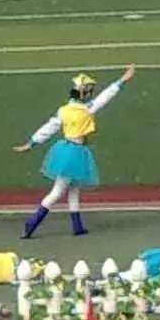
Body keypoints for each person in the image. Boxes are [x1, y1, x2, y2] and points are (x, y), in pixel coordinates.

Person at [18, 71, 134, 240]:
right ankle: (32, 223)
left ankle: (77, 226)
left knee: (74, 189)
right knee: (58, 191)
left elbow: (49, 128)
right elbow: (105, 97)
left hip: (68, 151)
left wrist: (32, 142)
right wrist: (121, 81)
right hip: (75, 153)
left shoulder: (64, 110)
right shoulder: (87, 109)